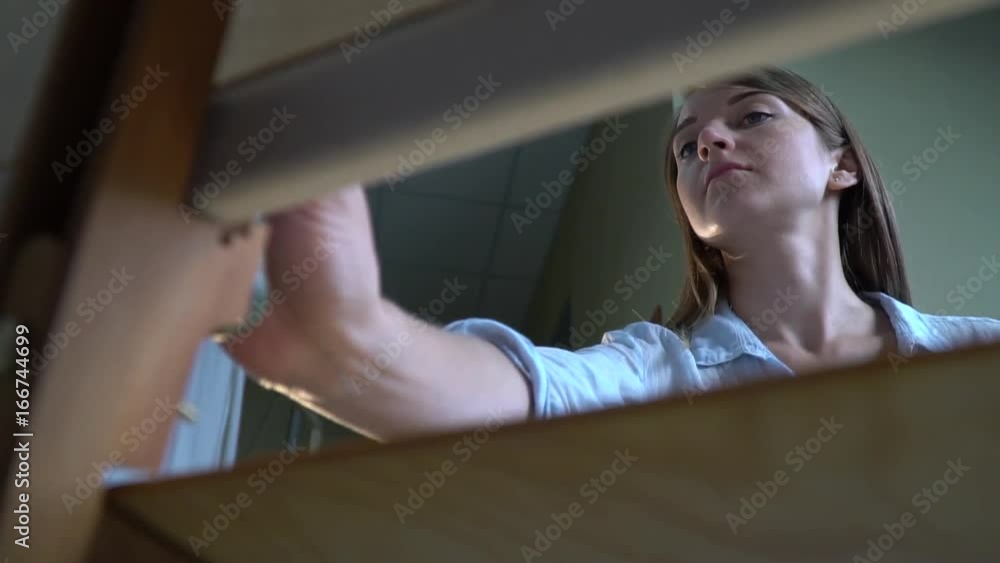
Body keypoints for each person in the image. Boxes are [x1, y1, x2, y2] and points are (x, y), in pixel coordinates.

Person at [223, 66, 1000, 443]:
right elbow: (531, 391)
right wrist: (352, 342)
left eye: (752, 117)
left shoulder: (981, 353)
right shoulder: (654, 371)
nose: (707, 140)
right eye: (685, 146)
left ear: (843, 164)